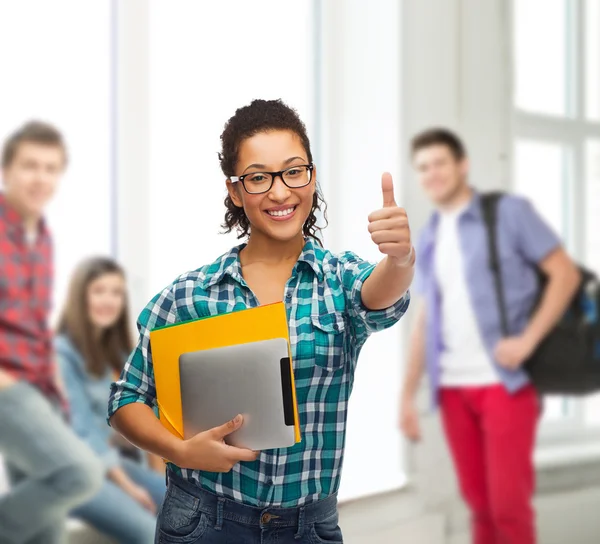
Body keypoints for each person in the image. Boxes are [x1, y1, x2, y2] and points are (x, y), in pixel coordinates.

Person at [108, 98, 414, 543]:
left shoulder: (339, 281)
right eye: (258, 178)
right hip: (202, 519)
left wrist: (401, 257)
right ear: (235, 191)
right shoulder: (190, 295)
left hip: (309, 526)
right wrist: (180, 450)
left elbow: (380, 292)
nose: (280, 192)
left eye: (294, 171)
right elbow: (126, 398)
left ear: (311, 176)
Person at [399, 128, 581, 544]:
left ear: (462, 165)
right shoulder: (428, 237)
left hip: (504, 384)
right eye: (423, 168)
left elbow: (565, 274)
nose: (432, 174)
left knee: (508, 511)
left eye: (440, 163)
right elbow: (425, 319)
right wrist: (407, 395)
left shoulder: (508, 213)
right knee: (479, 509)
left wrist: (528, 340)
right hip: (452, 388)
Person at [0, 121, 104, 544]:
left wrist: (55, 385)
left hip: (40, 386)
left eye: (50, 168)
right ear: (7, 170)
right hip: (8, 386)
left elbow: (35, 324)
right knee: (79, 474)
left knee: (46, 530)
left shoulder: (41, 236)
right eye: (30, 166)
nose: (40, 178)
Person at [55, 257, 166, 544]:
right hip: (71, 474)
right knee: (147, 531)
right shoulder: (61, 354)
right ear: (81, 297)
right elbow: (83, 433)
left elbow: (120, 419)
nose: (109, 300)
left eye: (116, 293)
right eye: (99, 291)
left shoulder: (109, 356)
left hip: (108, 465)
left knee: (179, 505)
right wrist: (128, 488)